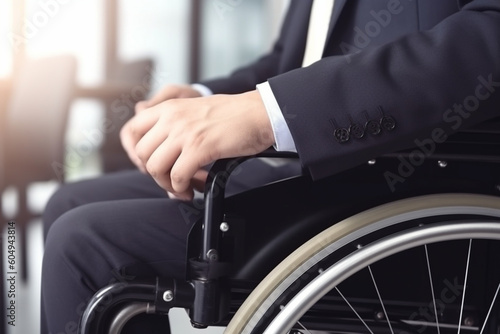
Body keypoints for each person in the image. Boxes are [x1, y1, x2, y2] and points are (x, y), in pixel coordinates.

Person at [41, 0, 500, 333]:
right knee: (69, 201)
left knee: (83, 243)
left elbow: (489, 35)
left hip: (403, 184)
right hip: (304, 164)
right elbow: (288, 60)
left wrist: (270, 113)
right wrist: (202, 100)